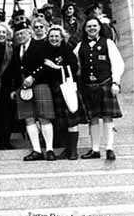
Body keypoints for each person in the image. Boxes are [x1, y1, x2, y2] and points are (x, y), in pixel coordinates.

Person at [74, 17, 125, 160]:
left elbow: (118, 63)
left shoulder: (108, 43)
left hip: (106, 84)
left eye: (94, 26)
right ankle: (95, 149)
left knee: (107, 117)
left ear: (99, 27)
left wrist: (116, 83)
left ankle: (109, 148)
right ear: (85, 29)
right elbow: (73, 63)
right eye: (89, 26)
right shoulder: (80, 46)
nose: (92, 28)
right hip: (88, 87)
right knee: (93, 118)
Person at [10, 22, 56, 161]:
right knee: (28, 118)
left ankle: (49, 149)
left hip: (40, 84)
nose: (20, 36)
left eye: (22, 33)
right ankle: (36, 150)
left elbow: (46, 65)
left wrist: (34, 76)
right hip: (23, 88)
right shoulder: (16, 49)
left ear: (29, 33)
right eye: (17, 34)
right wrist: (14, 88)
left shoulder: (41, 45)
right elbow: (15, 71)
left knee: (44, 117)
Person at [43, 26, 85, 160]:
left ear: (62, 37)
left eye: (56, 36)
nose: (54, 39)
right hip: (53, 89)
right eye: (51, 36)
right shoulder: (45, 51)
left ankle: (73, 151)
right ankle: (67, 149)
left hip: (67, 89)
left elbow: (74, 67)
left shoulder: (67, 50)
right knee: (61, 121)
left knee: (72, 120)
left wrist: (56, 67)